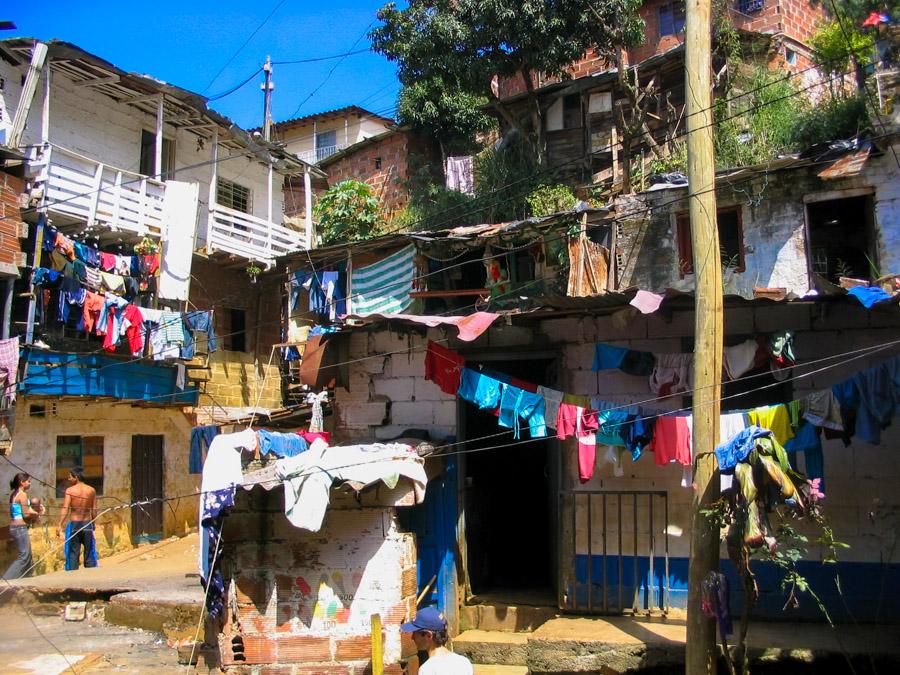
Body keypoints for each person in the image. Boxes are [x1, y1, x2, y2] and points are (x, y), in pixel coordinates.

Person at [401, 606, 473, 675]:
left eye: (415, 633)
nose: (412, 637)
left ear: (428, 635)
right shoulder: (464, 663)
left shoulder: (428, 669)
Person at [3, 472, 43, 579]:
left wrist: (35, 511)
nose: (30, 484)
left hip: (14, 527)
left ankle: (29, 578)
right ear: (22, 482)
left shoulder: (14, 494)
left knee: (28, 556)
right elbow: (25, 514)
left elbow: (20, 511)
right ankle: (5, 580)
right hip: (19, 527)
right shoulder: (23, 495)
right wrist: (36, 513)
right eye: (28, 481)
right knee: (24, 556)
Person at [56, 468, 98, 570]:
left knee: (73, 554)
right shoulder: (91, 490)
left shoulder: (70, 491)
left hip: (75, 525)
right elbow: (94, 510)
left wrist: (59, 525)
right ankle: (90, 578)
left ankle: (72, 580)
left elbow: (65, 508)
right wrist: (93, 523)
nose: (69, 479)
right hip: (87, 524)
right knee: (89, 553)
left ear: (76, 477)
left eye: (70, 477)